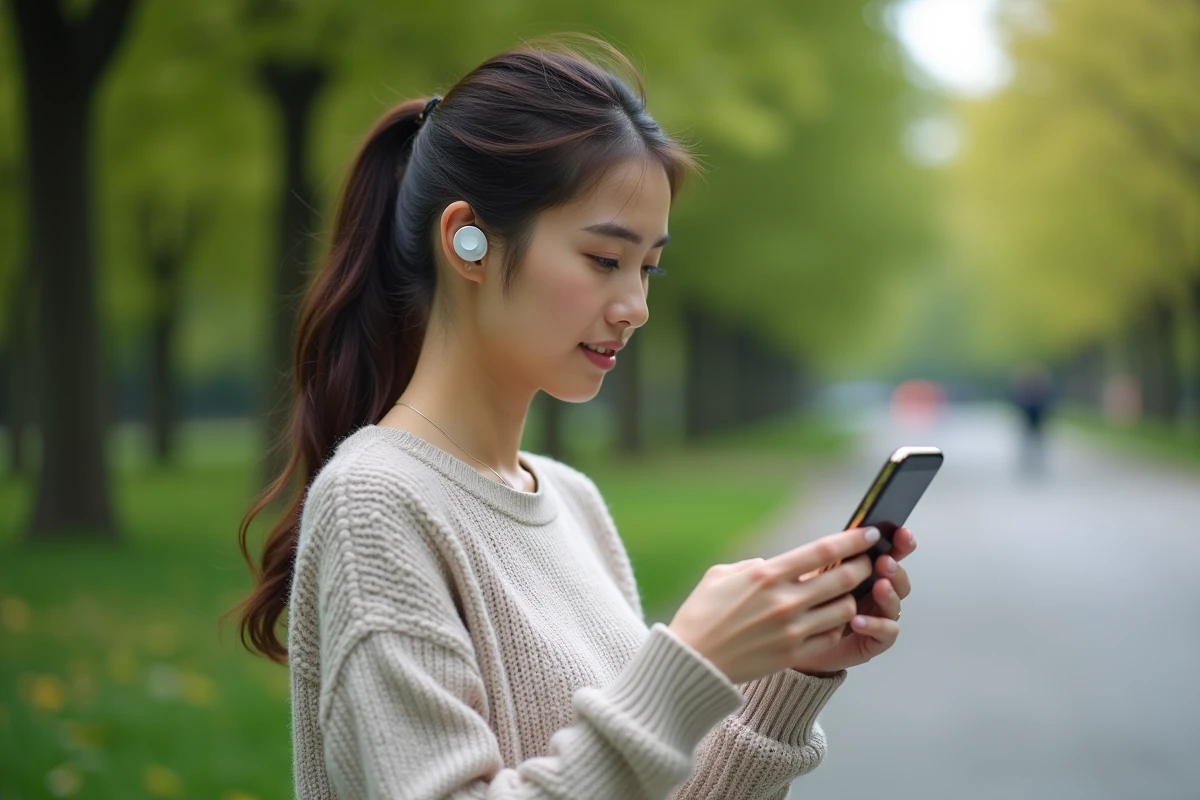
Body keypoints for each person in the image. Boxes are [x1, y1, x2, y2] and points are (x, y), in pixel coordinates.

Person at [231, 35, 918, 800]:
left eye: (648, 267)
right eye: (604, 260)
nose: (636, 307)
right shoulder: (375, 503)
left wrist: (789, 678)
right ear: (467, 242)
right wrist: (691, 663)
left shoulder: (572, 500)